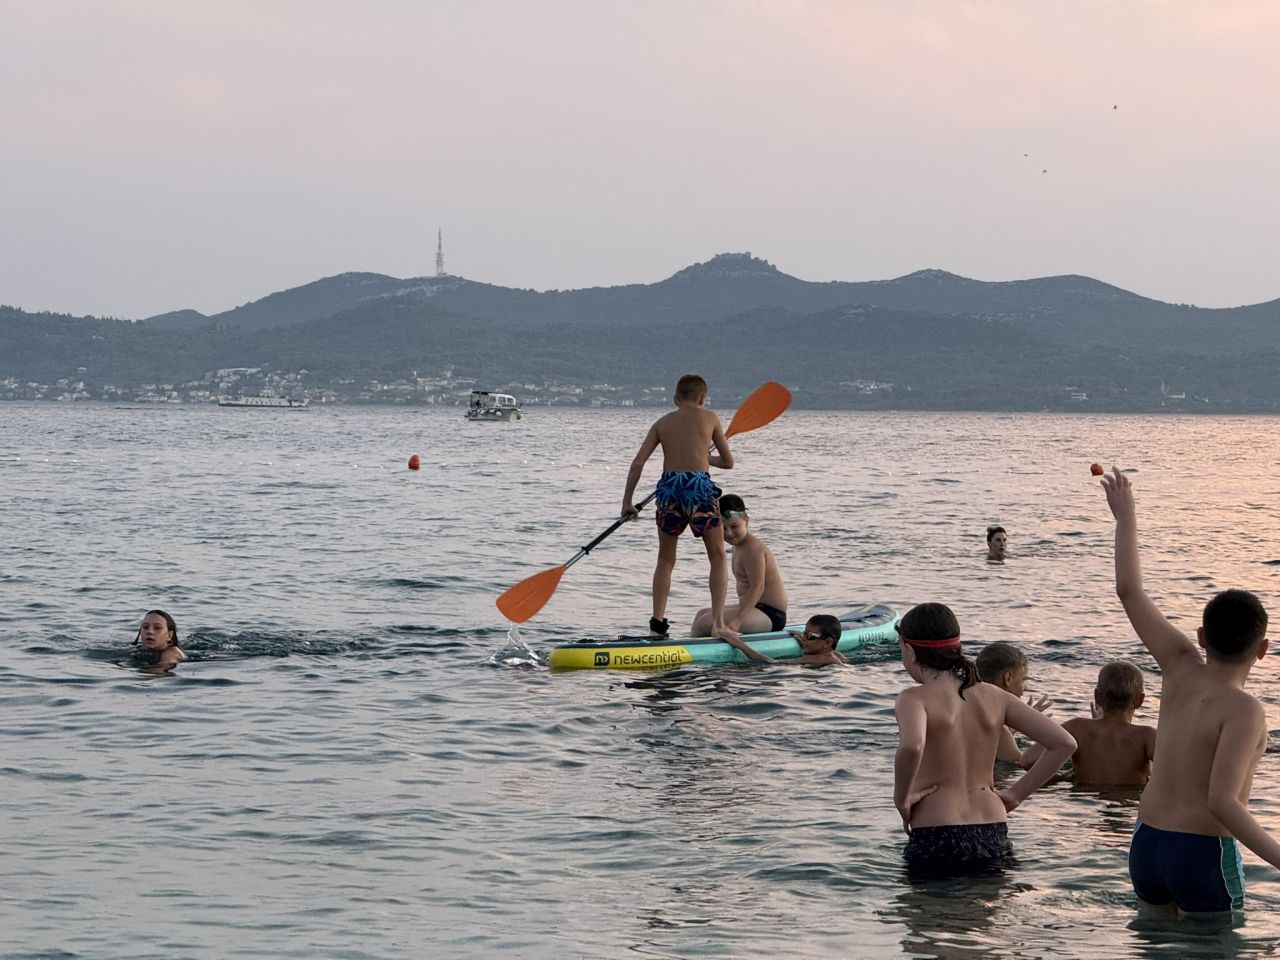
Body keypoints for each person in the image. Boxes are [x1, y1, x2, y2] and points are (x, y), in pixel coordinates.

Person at [1100, 466, 1280, 913]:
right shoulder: (1244, 710)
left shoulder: (1179, 665)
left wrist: (1125, 519)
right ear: (1263, 649)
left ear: (1201, 637)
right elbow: (1222, 802)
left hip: (1146, 847)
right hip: (1201, 855)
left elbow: (1129, 592)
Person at [893, 602, 1075, 876]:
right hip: (992, 825)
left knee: (929, 917)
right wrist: (1015, 795)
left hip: (936, 827)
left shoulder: (913, 698)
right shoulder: (994, 695)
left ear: (908, 648)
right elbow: (1064, 743)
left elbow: (912, 745)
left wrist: (902, 799)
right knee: (985, 916)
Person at [621, 374, 734, 638]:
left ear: (675, 399)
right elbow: (728, 462)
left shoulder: (661, 423)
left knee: (665, 559)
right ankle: (718, 623)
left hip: (669, 488)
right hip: (699, 488)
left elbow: (638, 463)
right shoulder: (711, 418)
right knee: (717, 556)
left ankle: (657, 625)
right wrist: (706, 458)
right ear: (703, 398)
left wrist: (627, 502)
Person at [1023, 660, 1156, 789]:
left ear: (1097, 696)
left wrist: (1062, 778)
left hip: (1085, 797)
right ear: (1140, 700)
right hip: (1128, 801)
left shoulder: (1076, 727)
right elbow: (1174, 770)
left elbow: (1027, 760)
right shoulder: (1146, 735)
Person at [690, 493, 787, 637]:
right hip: (754, 609)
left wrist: (737, 621)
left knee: (702, 623)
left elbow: (758, 587)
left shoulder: (753, 548)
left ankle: (695, 651)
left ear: (746, 521)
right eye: (723, 528)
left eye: (735, 526)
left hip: (770, 614)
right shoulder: (738, 546)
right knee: (701, 614)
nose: (729, 533)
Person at [976, 641, 1052, 765]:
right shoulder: (999, 729)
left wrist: (1016, 726)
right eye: (1023, 680)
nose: (1025, 688)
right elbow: (1022, 767)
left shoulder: (968, 706)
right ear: (1008, 678)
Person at [722, 613, 848, 666]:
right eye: (804, 633)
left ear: (828, 642)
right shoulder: (838, 656)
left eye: (810, 636)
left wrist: (739, 644)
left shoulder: (812, 659)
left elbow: (770, 662)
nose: (804, 638)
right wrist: (806, 641)